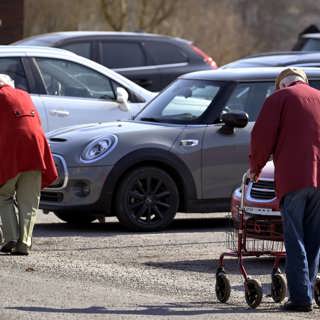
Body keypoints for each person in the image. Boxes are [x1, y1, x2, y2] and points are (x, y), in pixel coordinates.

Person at [249, 67, 320, 312]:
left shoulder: (278, 99)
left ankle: (300, 298)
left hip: (294, 178)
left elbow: (261, 138)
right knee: (314, 238)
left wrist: (255, 168)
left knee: (295, 236)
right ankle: (307, 291)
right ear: (303, 82)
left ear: (282, 84)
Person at [0, 74, 57, 255]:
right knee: (29, 200)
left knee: (3, 195)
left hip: (13, 151)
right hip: (36, 150)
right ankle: (24, 242)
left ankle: (11, 237)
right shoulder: (24, 95)